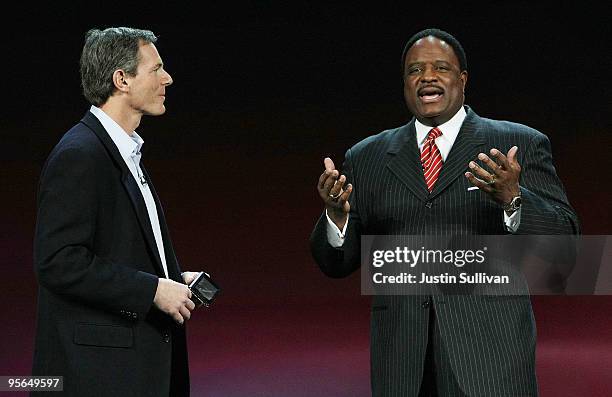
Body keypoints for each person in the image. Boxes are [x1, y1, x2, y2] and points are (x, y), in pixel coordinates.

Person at [310, 28, 579, 396]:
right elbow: (335, 264)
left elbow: (565, 251)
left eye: (441, 68)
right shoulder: (367, 157)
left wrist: (514, 199)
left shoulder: (518, 144)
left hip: (491, 360)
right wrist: (337, 218)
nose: (427, 78)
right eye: (415, 70)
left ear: (463, 80)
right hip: (403, 362)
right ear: (405, 83)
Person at [32, 27, 204, 396]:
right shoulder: (80, 154)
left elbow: (116, 246)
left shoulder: (121, 151)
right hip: (100, 375)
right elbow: (59, 261)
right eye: (156, 69)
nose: (168, 78)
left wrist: (171, 277)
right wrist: (152, 289)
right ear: (121, 79)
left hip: (134, 368)